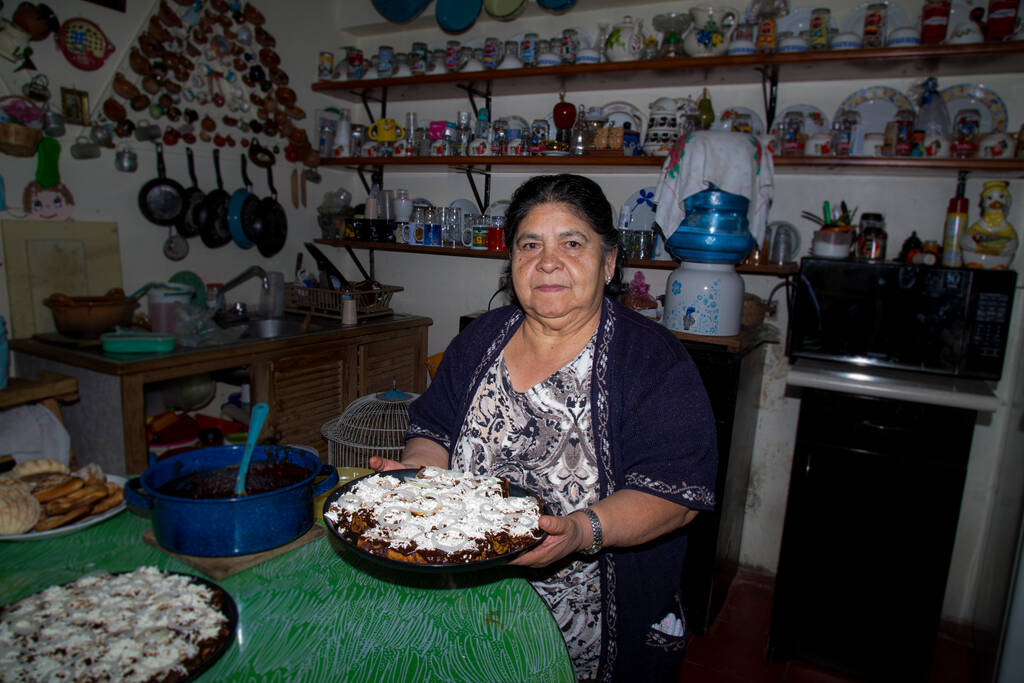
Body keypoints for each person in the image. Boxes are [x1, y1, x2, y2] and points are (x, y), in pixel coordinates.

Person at [370, 174, 717, 681]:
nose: (547, 261)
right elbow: (435, 429)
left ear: (610, 261)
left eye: (572, 243)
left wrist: (580, 531)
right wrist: (419, 480)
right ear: (512, 262)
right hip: (466, 604)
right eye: (530, 244)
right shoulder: (480, 338)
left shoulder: (650, 360)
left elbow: (675, 495)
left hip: (585, 633)